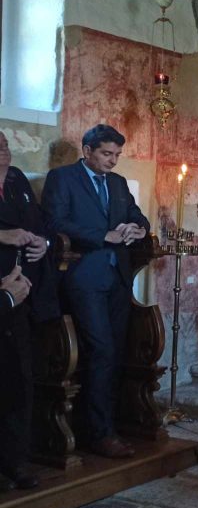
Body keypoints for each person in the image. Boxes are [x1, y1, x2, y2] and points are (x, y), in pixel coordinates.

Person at [42, 124, 150, 459]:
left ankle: (107, 426)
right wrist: (103, 235)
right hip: (83, 277)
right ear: (87, 151)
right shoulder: (62, 179)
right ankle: (99, 433)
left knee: (115, 351)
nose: (112, 160)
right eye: (106, 153)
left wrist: (138, 228)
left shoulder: (117, 183)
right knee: (101, 349)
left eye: (117, 154)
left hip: (118, 277)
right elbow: (54, 222)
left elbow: (136, 215)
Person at [0, 130, 55, 489]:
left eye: (5, 144)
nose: (3, 150)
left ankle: (15, 461)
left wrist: (43, 242)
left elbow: (38, 222)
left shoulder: (17, 179)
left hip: (20, 294)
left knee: (18, 380)